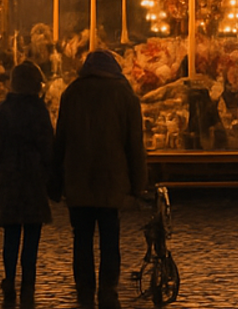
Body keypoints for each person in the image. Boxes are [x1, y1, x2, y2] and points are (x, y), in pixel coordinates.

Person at [51, 50, 147, 309]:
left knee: (81, 237)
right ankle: (108, 288)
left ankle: (84, 288)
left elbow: (60, 141)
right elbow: (134, 145)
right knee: (109, 236)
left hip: (77, 179)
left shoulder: (72, 93)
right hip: (111, 179)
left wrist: (55, 182)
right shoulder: (125, 95)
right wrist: (138, 184)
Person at [0, 62, 54, 308]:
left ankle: (10, 278)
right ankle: (29, 281)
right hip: (33, 177)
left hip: (8, 175)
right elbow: (48, 145)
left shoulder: (2, 109)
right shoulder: (39, 110)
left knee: (11, 233)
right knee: (32, 233)